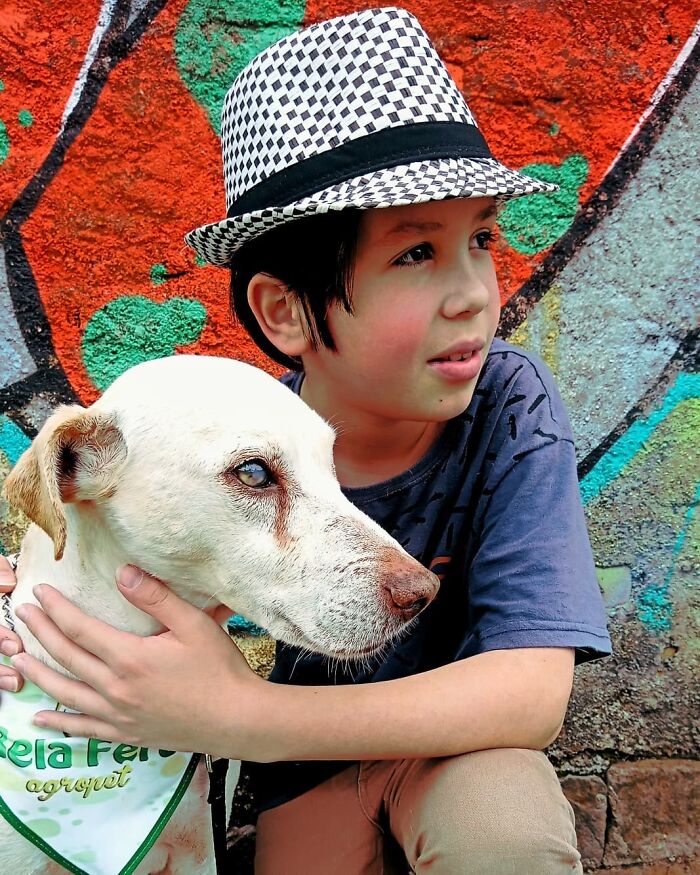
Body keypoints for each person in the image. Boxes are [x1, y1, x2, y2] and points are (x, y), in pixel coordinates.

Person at [0, 7, 612, 873]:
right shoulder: (214, 438)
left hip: (455, 751)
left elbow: (533, 696)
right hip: (305, 773)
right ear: (284, 311)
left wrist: (241, 717)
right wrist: (23, 610)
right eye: (414, 254)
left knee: (503, 835)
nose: (475, 291)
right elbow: (97, 536)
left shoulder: (510, 401)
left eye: (480, 238)